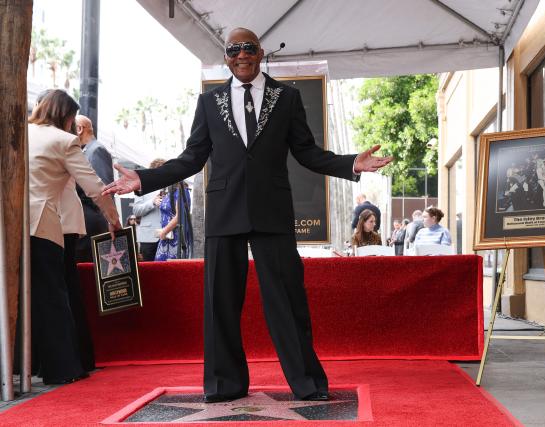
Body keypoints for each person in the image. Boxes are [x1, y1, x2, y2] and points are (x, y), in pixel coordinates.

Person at [103, 27, 392, 403]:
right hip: (225, 211)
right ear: (226, 57)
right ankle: (224, 384)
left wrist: (352, 162)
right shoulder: (210, 101)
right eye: (234, 50)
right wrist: (144, 178)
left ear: (260, 52)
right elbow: (192, 158)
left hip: (272, 209)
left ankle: (307, 383)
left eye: (249, 48)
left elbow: (307, 152)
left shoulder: (286, 97)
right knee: (220, 302)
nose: (242, 55)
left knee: (288, 300)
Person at [28, 89, 121, 384]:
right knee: (52, 296)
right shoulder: (64, 141)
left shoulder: (19, 133)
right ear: (67, 117)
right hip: (43, 224)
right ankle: (62, 368)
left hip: (12, 224)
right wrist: (114, 219)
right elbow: (94, 187)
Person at [75, 114, 115, 261]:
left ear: (79, 129)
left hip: (92, 224)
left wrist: (111, 220)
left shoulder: (96, 150)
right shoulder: (86, 150)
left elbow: (105, 189)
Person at [132, 158, 166, 261]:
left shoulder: (171, 187)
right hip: (148, 237)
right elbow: (136, 210)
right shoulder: (141, 187)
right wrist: (152, 202)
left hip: (167, 235)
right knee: (149, 270)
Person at [154, 181, 193, 261]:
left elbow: (179, 216)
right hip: (165, 237)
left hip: (176, 237)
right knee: (160, 268)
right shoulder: (167, 192)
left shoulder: (182, 191)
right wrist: (155, 200)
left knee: (174, 268)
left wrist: (164, 232)